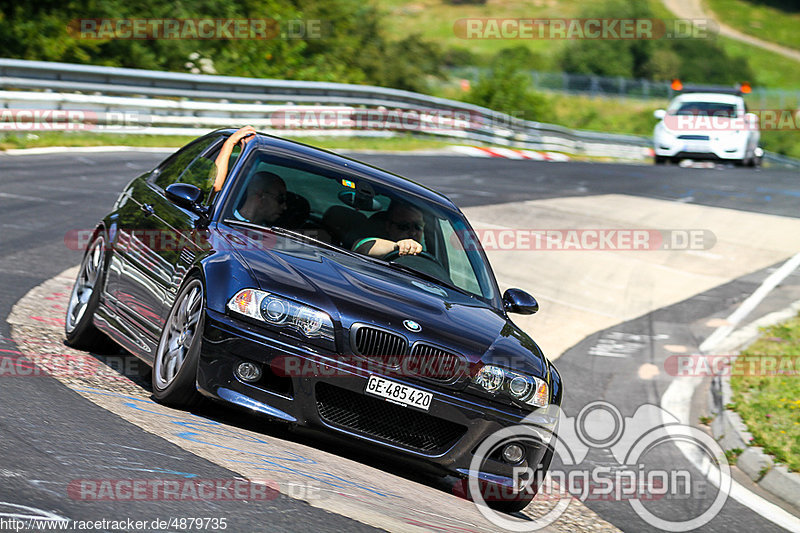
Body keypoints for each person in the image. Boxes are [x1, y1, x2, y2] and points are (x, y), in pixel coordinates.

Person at [352, 201, 425, 258]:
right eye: (404, 226)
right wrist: (398, 246)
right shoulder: (375, 243)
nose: (412, 232)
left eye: (418, 226)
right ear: (388, 226)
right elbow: (364, 246)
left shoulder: (428, 254)